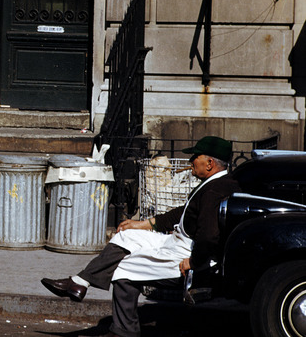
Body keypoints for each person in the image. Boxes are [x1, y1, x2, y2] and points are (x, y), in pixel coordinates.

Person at [40, 136, 241, 337]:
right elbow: (184, 213)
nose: (191, 162)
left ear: (209, 163)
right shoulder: (217, 183)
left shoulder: (215, 190)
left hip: (187, 252)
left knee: (124, 269)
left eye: (195, 157)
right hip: (178, 241)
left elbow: (209, 236)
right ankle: (80, 282)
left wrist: (194, 262)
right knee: (126, 235)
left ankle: (123, 332)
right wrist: (145, 224)